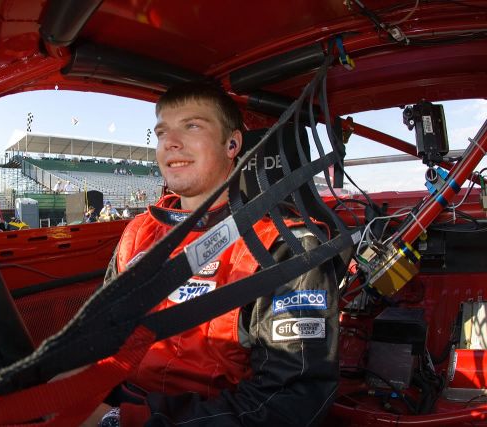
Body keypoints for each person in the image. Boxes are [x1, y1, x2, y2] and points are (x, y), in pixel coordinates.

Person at [84, 81, 339, 426]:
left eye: (192, 126)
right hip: (112, 400)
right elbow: (99, 336)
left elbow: (287, 404)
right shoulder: (138, 232)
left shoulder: (284, 247)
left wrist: (118, 420)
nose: (170, 142)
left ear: (232, 144)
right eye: (162, 132)